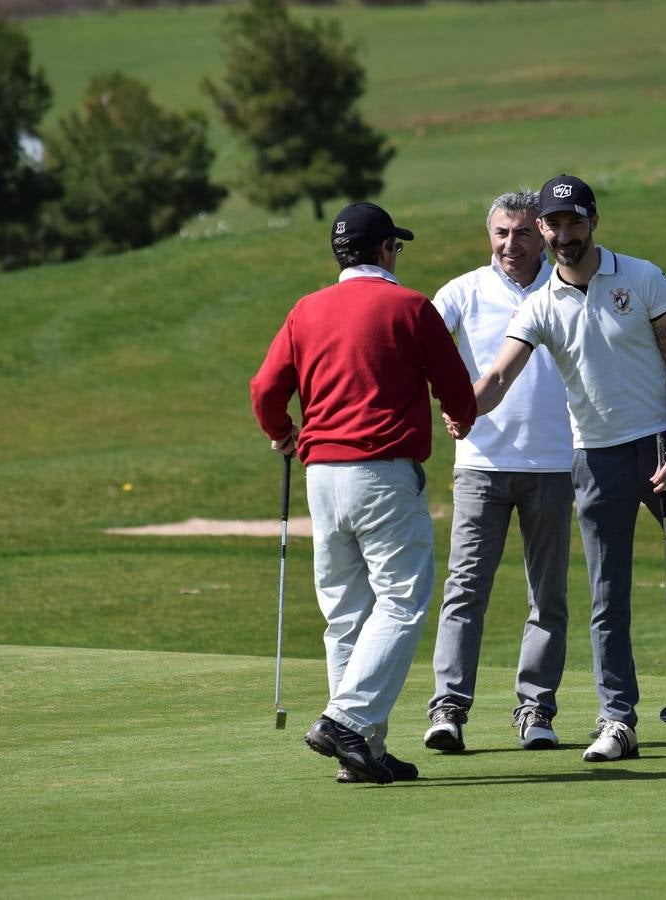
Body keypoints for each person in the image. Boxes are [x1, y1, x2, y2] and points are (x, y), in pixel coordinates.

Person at [452, 174, 666, 762]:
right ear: (542, 229)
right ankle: (618, 718)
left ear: (594, 220)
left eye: (574, 222)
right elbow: (497, 376)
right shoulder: (542, 306)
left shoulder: (643, 278)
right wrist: (465, 408)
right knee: (607, 597)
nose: (563, 235)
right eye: (554, 224)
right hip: (594, 460)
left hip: (661, 448)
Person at [250, 201, 477, 784]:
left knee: (346, 613)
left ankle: (363, 752)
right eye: (395, 248)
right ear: (384, 251)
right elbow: (457, 391)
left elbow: (265, 389)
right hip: (382, 471)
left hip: (321, 475)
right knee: (402, 601)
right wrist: (461, 416)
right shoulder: (410, 306)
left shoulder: (306, 310)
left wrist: (282, 434)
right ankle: (347, 720)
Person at [423, 190, 575, 754]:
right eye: (501, 233)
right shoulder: (462, 292)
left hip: (556, 464)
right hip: (481, 465)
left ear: (542, 233)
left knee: (548, 596)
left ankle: (535, 708)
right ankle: (449, 709)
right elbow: (423, 352)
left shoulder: (567, 287)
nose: (512, 245)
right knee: (465, 590)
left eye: (522, 233)